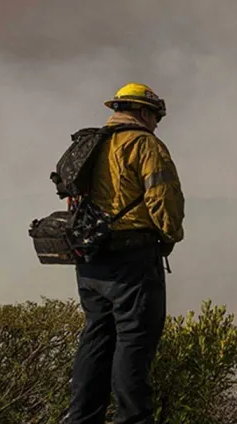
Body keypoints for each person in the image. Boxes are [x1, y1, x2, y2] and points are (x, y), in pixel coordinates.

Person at [65, 82, 185, 424]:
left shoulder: (90, 143)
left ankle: (81, 418)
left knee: (96, 337)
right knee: (134, 341)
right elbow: (164, 201)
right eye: (156, 117)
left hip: (89, 259)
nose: (157, 124)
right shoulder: (144, 144)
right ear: (144, 112)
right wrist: (170, 236)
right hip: (132, 258)